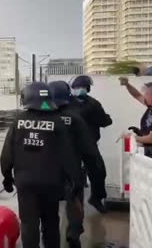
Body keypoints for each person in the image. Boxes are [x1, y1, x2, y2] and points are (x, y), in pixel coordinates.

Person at [0, 82, 81, 248]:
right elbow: (68, 155)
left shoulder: (19, 121)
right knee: (51, 222)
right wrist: (75, 180)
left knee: (29, 224)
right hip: (51, 183)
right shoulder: (57, 121)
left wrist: (7, 177)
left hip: (25, 183)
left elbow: (7, 154)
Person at [49, 81, 108, 248]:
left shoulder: (93, 104)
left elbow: (105, 121)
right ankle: (73, 230)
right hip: (74, 156)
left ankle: (70, 230)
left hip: (57, 159)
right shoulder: (71, 112)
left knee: (88, 181)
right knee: (74, 193)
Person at [69, 75, 111, 212]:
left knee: (99, 172)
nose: (79, 89)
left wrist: (106, 119)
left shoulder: (94, 104)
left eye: (82, 87)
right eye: (76, 87)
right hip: (71, 146)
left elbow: (104, 121)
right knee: (71, 175)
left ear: (87, 88)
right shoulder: (66, 103)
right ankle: (68, 199)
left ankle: (96, 198)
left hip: (89, 145)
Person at [119, 77, 152, 157]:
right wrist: (127, 85)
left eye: (147, 93)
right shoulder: (150, 107)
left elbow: (151, 139)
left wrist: (134, 137)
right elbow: (137, 95)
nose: (144, 95)